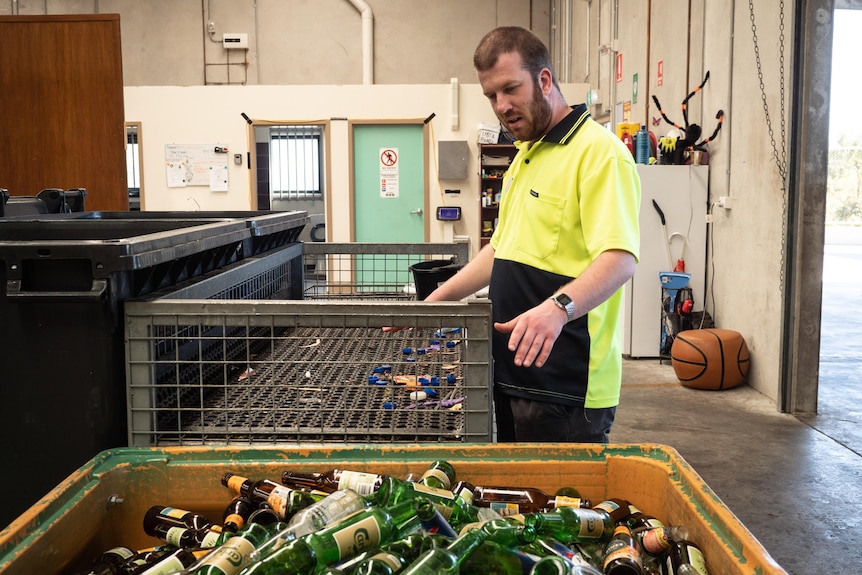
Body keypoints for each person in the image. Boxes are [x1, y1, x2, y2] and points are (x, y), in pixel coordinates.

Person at [425, 26, 641, 443]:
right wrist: (436, 301)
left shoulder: (599, 153)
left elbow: (620, 259)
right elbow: (500, 250)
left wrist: (558, 307)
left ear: (544, 80)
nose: (501, 106)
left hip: (566, 384)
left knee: (563, 504)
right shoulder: (525, 155)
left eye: (510, 88)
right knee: (516, 500)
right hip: (513, 374)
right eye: (491, 95)